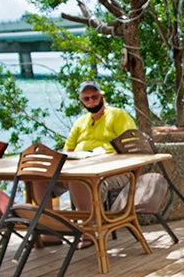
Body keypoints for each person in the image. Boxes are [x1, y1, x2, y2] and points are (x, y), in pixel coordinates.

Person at [55, 80, 137, 216]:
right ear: (81, 102)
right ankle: (48, 230)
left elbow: (130, 145)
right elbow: (67, 151)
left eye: (94, 97)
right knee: (40, 180)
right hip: (81, 169)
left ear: (102, 96)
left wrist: (108, 158)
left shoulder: (117, 115)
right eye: (86, 99)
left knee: (83, 180)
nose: (91, 101)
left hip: (114, 170)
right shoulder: (80, 122)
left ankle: (91, 228)